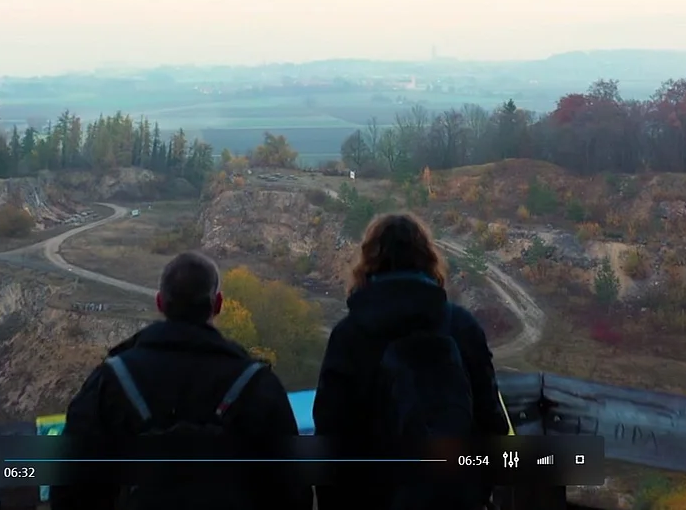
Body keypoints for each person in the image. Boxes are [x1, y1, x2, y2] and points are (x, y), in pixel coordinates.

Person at [50, 251, 312, 510]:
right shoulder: (257, 385)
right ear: (217, 304)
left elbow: (70, 487)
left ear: (160, 303)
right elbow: (293, 491)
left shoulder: (112, 381)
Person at [313, 212, 512, 510]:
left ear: (368, 262)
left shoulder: (350, 335)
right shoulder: (462, 327)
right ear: (428, 259)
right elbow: (493, 426)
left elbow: (331, 439)